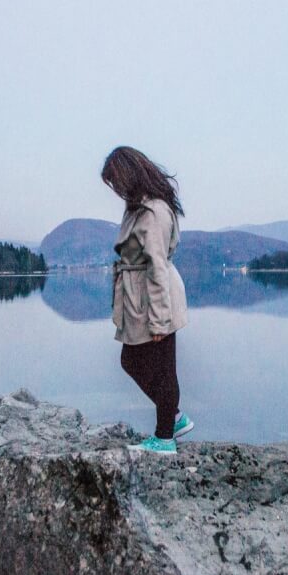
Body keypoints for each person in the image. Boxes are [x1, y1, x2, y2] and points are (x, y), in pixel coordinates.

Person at [103, 145, 193, 454]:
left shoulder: (153, 212)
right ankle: (174, 417)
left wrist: (160, 320)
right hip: (137, 297)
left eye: (116, 181)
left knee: (163, 367)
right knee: (132, 360)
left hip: (155, 297)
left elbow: (156, 267)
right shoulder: (139, 208)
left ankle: (164, 437)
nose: (115, 189)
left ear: (129, 174)